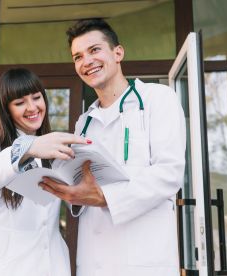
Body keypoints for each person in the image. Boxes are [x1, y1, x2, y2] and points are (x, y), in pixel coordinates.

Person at [39, 19, 186, 276]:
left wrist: (105, 197)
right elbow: (82, 182)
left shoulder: (157, 99)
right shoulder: (83, 123)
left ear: (118, 53)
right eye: (78, 56)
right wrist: (68, 190)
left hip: (146, 258)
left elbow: (169, 174)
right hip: (94, 259)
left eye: (94, 50)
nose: (86, 61)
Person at [0, 68, 90, 276]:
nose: (32, 107)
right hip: (5, 266)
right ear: (6, 109)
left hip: (51, 264)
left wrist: (79, 194)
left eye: (37, 98)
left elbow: (72, 202)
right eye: (20, 103)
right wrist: (26, 149)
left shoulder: (56, 149)